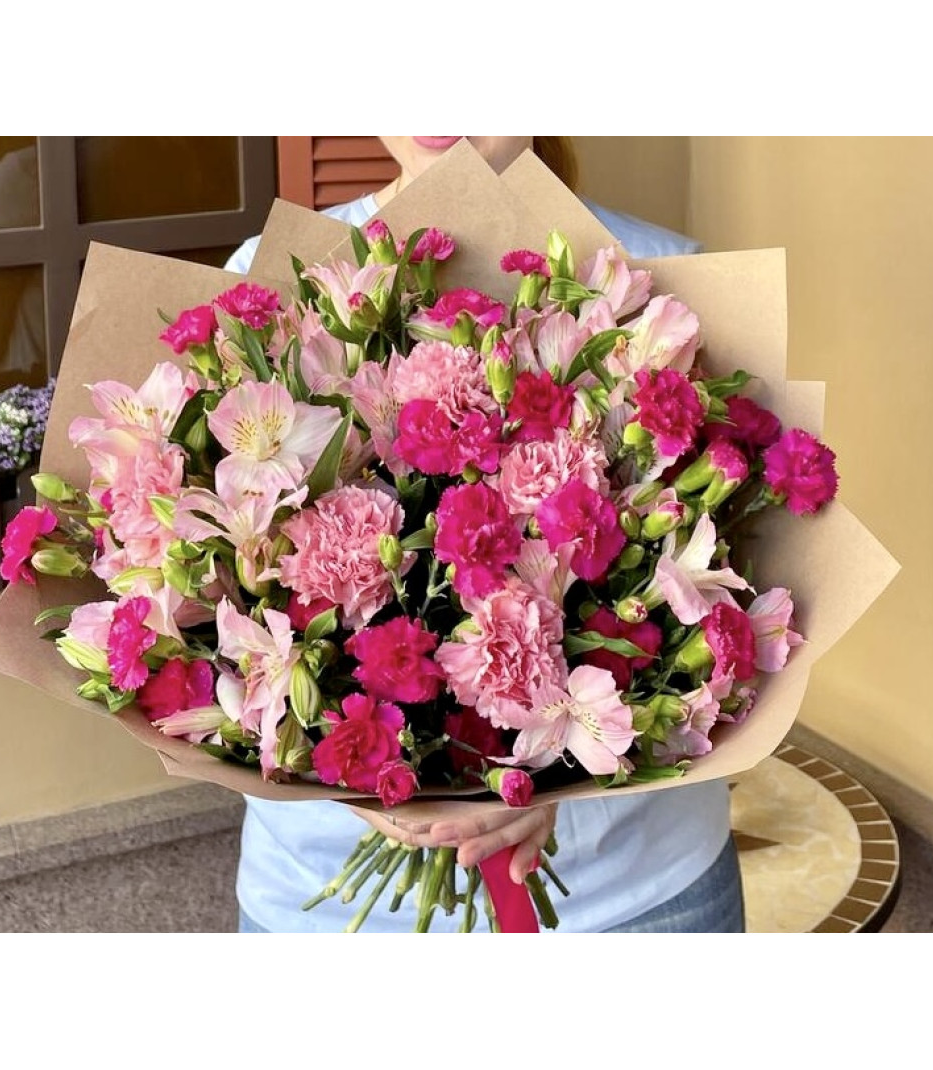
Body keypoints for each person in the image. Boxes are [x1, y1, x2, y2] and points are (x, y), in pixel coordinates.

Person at [225, 136, 744, 934]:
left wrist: (554, 770)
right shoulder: (269, 274)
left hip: (632, 894)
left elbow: (745, 590)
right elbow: (215, 595)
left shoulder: (671, 279)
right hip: (319, 894)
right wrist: (351, 766)